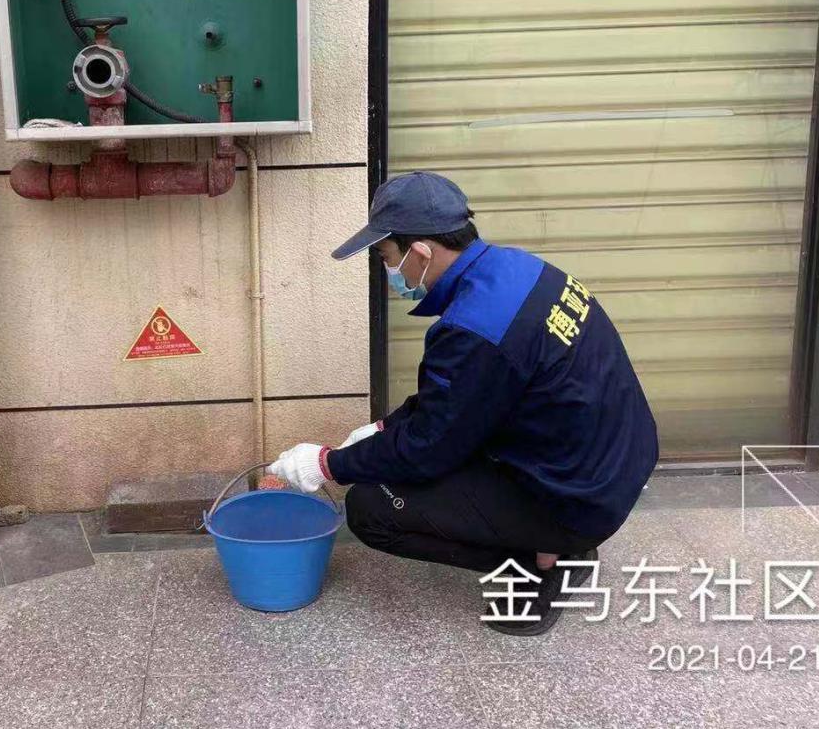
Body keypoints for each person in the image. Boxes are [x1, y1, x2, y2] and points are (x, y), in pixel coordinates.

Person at [268, 171, 659, 635]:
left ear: (420, 253)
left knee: (371, 509)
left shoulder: (473, 328)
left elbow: (427, 449)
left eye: (387, 257)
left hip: (578, 496)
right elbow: (463, 395)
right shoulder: (519, 269)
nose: (390, 273)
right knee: (410, 456)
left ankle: (549, 564)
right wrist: (383, 429)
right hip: (614, 462)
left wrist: (328, 465)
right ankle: (552, 541)